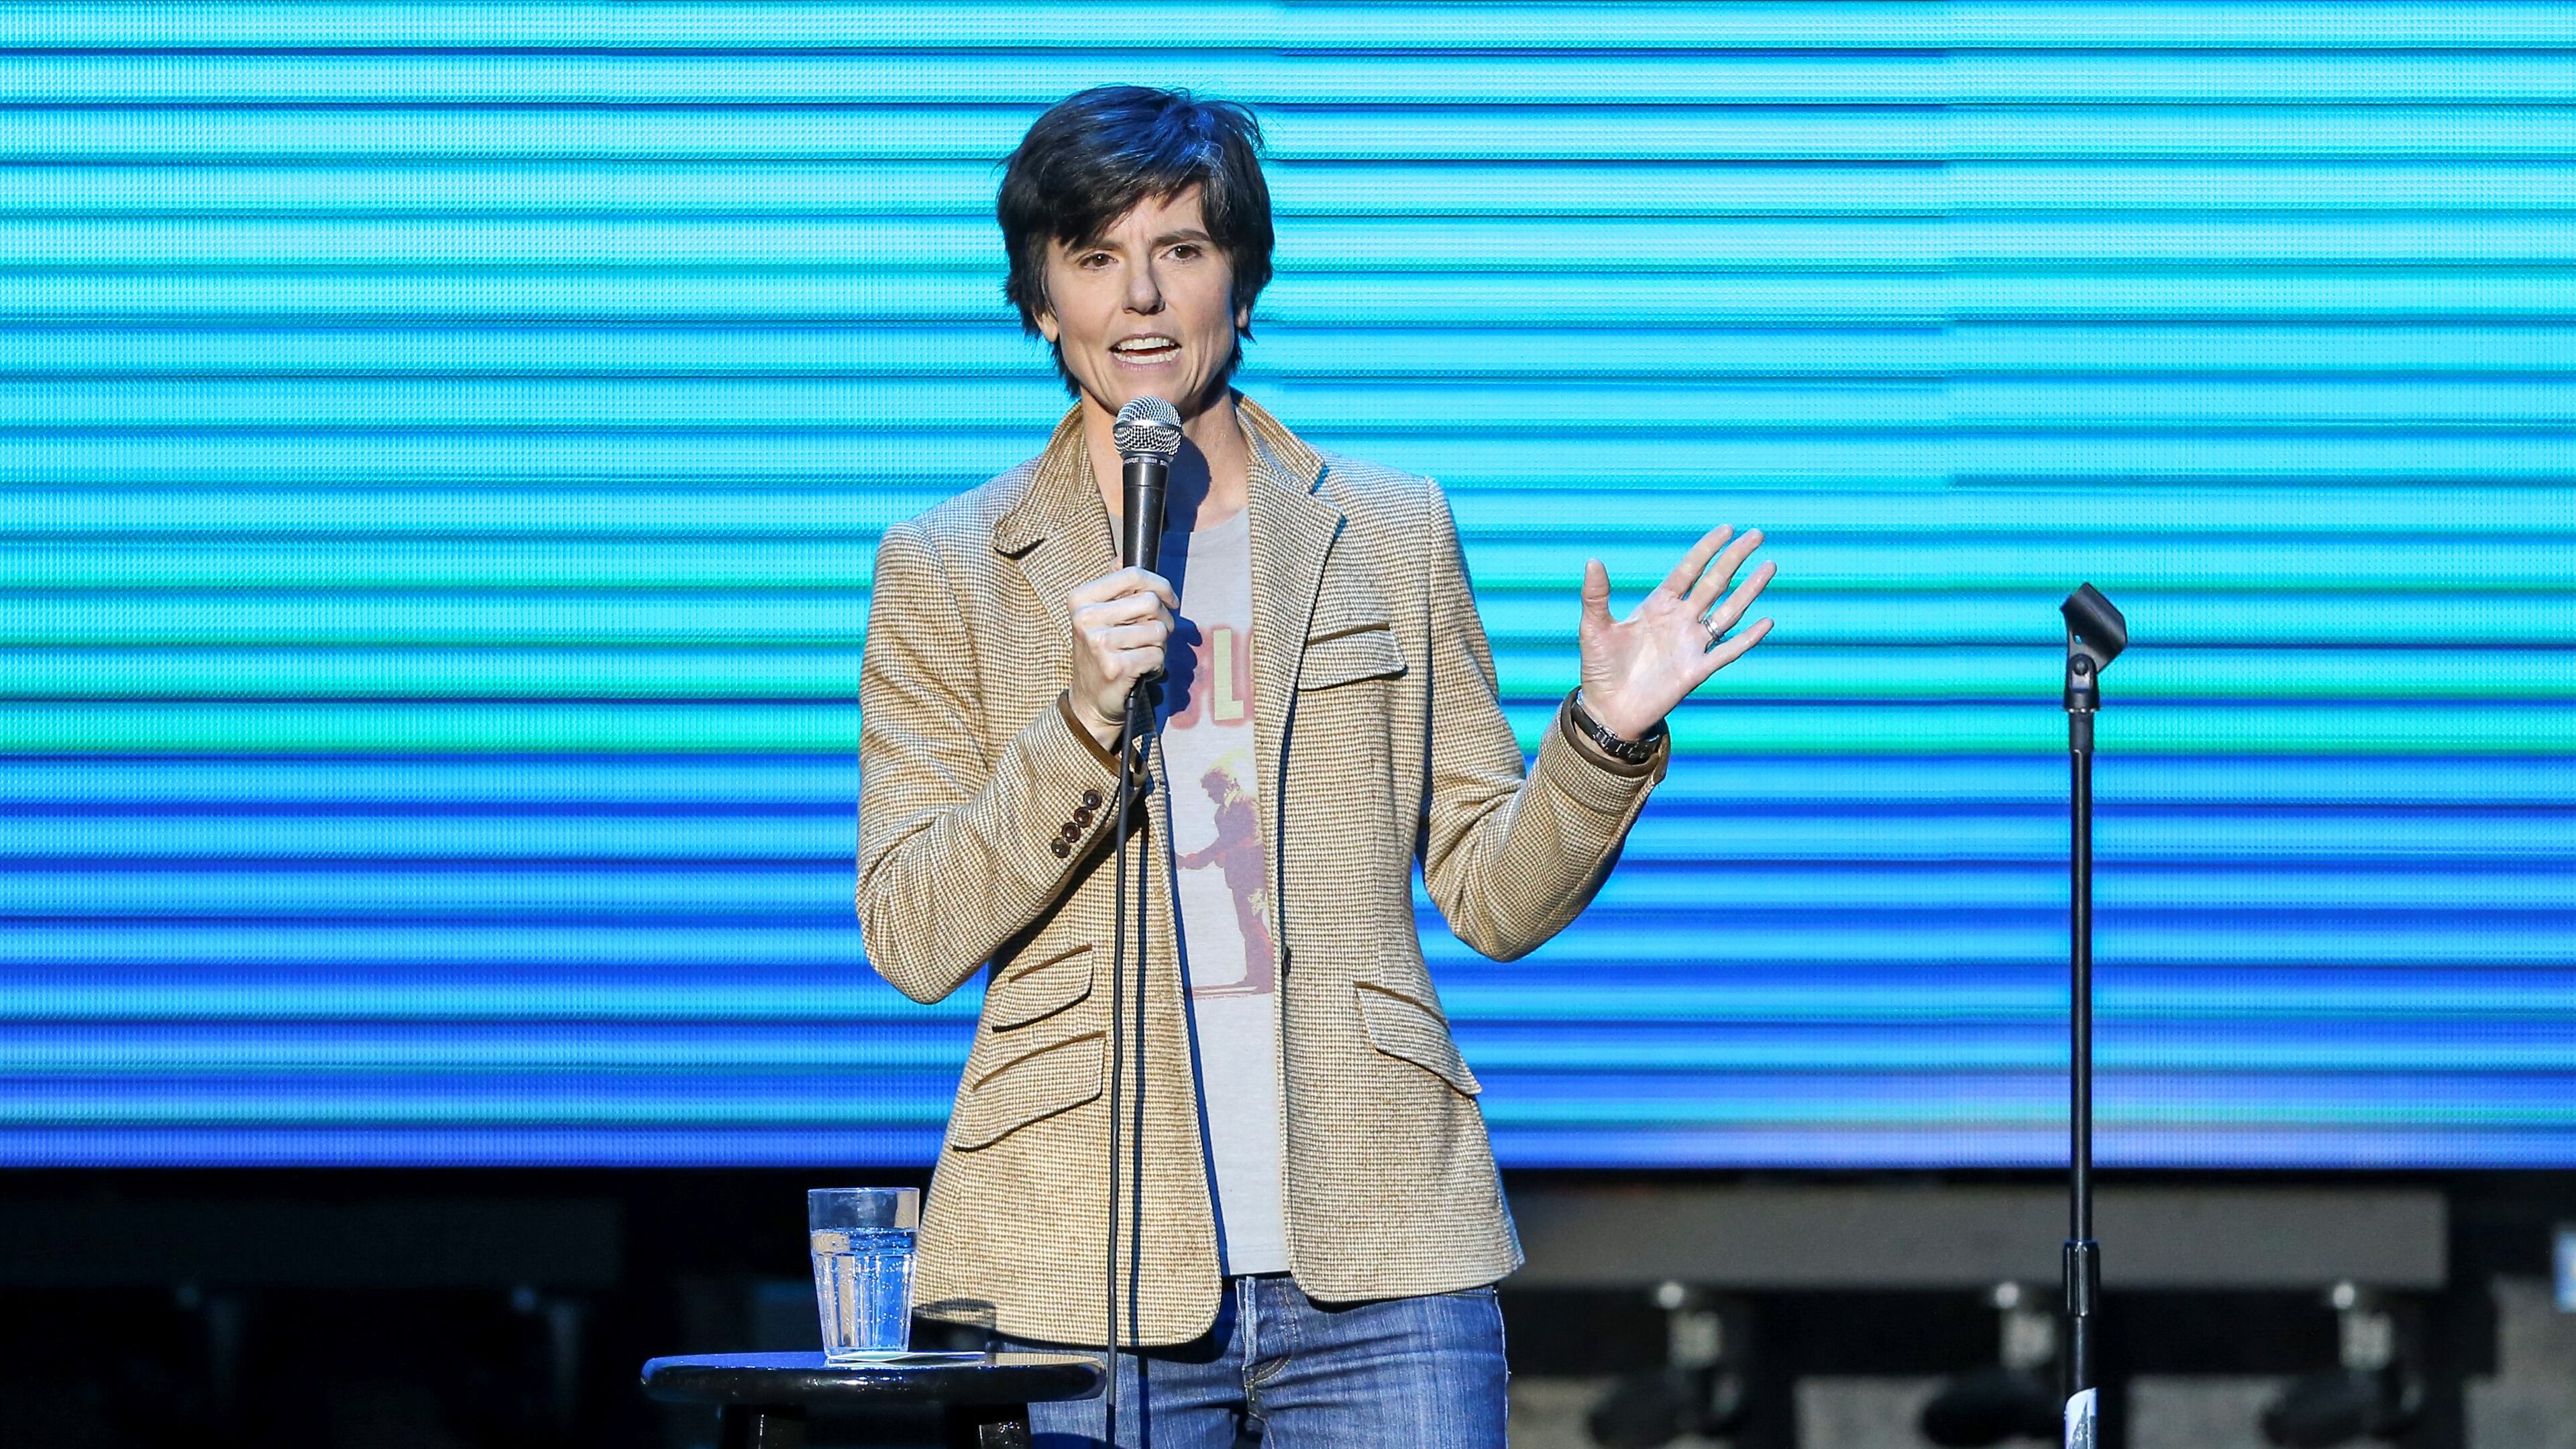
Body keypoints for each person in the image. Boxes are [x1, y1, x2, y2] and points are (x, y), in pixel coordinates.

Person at [855, 85, 1774, 1448]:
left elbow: (1494, 898)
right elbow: (912, 933)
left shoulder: (1390, 532)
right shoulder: (949, 569)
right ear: (1041, 302)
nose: (1144, 301)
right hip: (1080, 1252)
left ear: (1244, 273)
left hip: (1380, 1245)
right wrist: (1078, 720)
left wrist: (1605, 734)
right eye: (1096, 260)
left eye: (1181, 249)